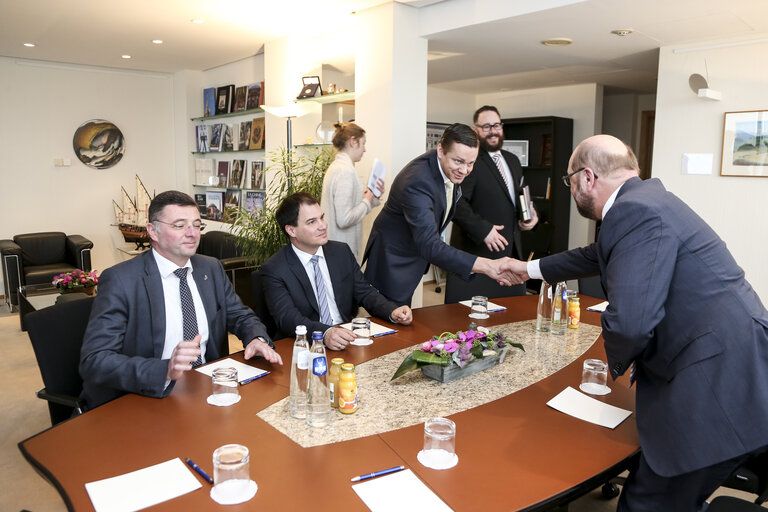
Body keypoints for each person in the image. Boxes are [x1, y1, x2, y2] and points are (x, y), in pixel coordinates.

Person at [507, 135, 768, 511]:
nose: (572, 190)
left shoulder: (633, 212)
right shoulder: (648, 199)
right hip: (736, 361)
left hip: (713, 385)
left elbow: (630, 324)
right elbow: (597, 254)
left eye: (569, 182)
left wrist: (611, 365)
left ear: (587, 177)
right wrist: (527, 269)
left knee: (647, 503)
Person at [80, 190, 282, 409]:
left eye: (197, 225)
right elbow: (95, 360)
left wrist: (255, 339)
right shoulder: (121, 279)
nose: (192, 233)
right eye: (179, 225)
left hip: (207, 389)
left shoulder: (210, 267)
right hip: (147, 395)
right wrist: (165, 369)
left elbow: (240, 315)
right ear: (153, 231)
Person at [362, 123, 518, 306]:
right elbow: (429, 245)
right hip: (393, 262)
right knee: (392, 323)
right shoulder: (417, 182)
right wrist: (488, 266)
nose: (465, 170)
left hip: (413, 256)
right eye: (458, 161)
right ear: (441, 151)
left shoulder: (449, 168)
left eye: (471, 163)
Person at [260, 192, 412, 350]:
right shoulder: (274, 269)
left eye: (322, 217)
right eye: (312, 222)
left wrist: (392, 310)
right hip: (305, 347)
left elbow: (365, 292)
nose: (323, 225)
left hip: (347, 339)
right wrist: (325, 333)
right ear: (292, 231)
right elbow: (288, 318)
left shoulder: (340, 252)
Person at [446, 105, 538, 303]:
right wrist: (483, 230)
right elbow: (456, 202)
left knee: (510, 316)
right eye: (486, 126)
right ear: (475, 130)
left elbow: (520, 196)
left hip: (512, 255)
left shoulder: (513, 161)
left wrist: (530, 215)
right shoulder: (469, 162)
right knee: (470, 322)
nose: (493, 131)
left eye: (496, 125)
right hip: (478, 256)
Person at [320, 122, 384, 261]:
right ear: (353, 142)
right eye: (363, 143)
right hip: (342, 250)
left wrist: (371, 198)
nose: (365, 149)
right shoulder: (345, 172)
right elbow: (344, 219)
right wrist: (367, 202)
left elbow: (349, 205)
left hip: (335, 248)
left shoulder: (337, 167)